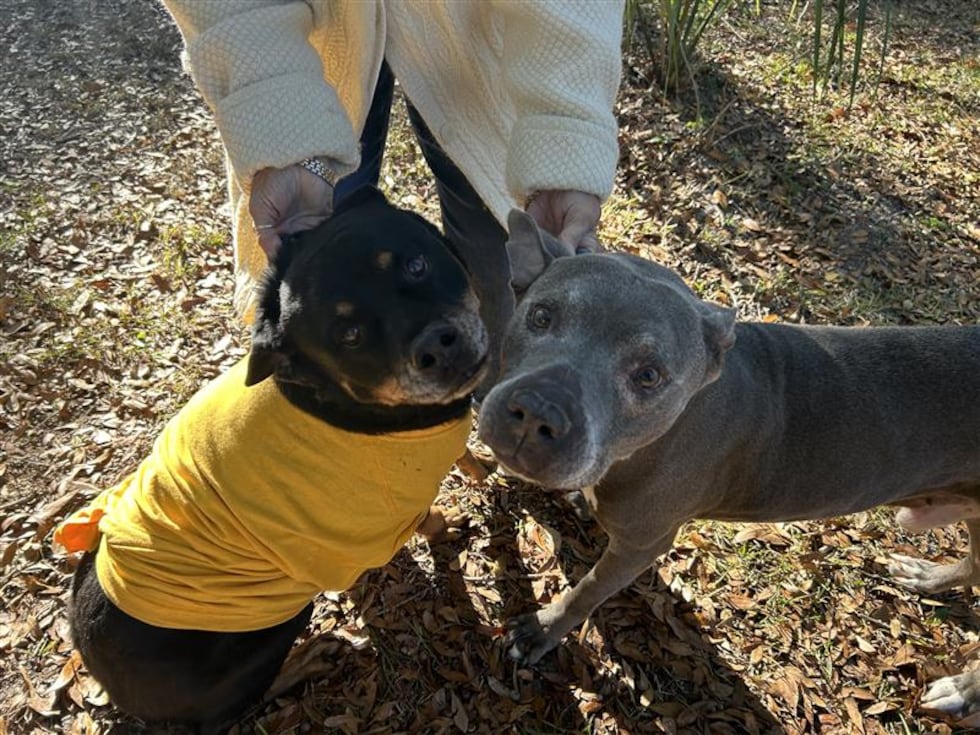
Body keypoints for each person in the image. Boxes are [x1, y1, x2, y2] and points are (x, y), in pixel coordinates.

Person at [160, 0, 624, 387]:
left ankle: (500, 394)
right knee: (318, 267)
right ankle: (344, 436)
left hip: (481, 31)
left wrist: (564, 125)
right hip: (303, 35)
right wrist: (279, 125)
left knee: (500, 241)